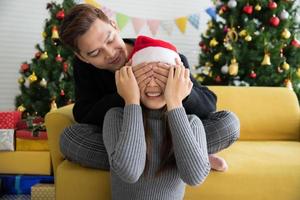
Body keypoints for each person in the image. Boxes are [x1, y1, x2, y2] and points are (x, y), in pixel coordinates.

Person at [58, 4, 240, 172]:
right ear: (82, 57)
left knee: (229, 124)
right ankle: (186, 157)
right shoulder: (86, 68)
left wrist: (182, 93)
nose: (110, 53)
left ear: (114, 26)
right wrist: (126, 94)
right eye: (95, 53)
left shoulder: (160, 53)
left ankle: (140, 163)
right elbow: (83, 114)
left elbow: (209, 105)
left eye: (110, 40)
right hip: (127, 141)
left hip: (172, 136)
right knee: (70, 139)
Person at [102, 36, 210, 199]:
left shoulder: (191, 123)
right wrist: (131, 100)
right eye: (145, 76)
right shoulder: (116, 117)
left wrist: (175, 101)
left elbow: (194, 177)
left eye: (161, 76)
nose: (152, 85)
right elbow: (129, 172)